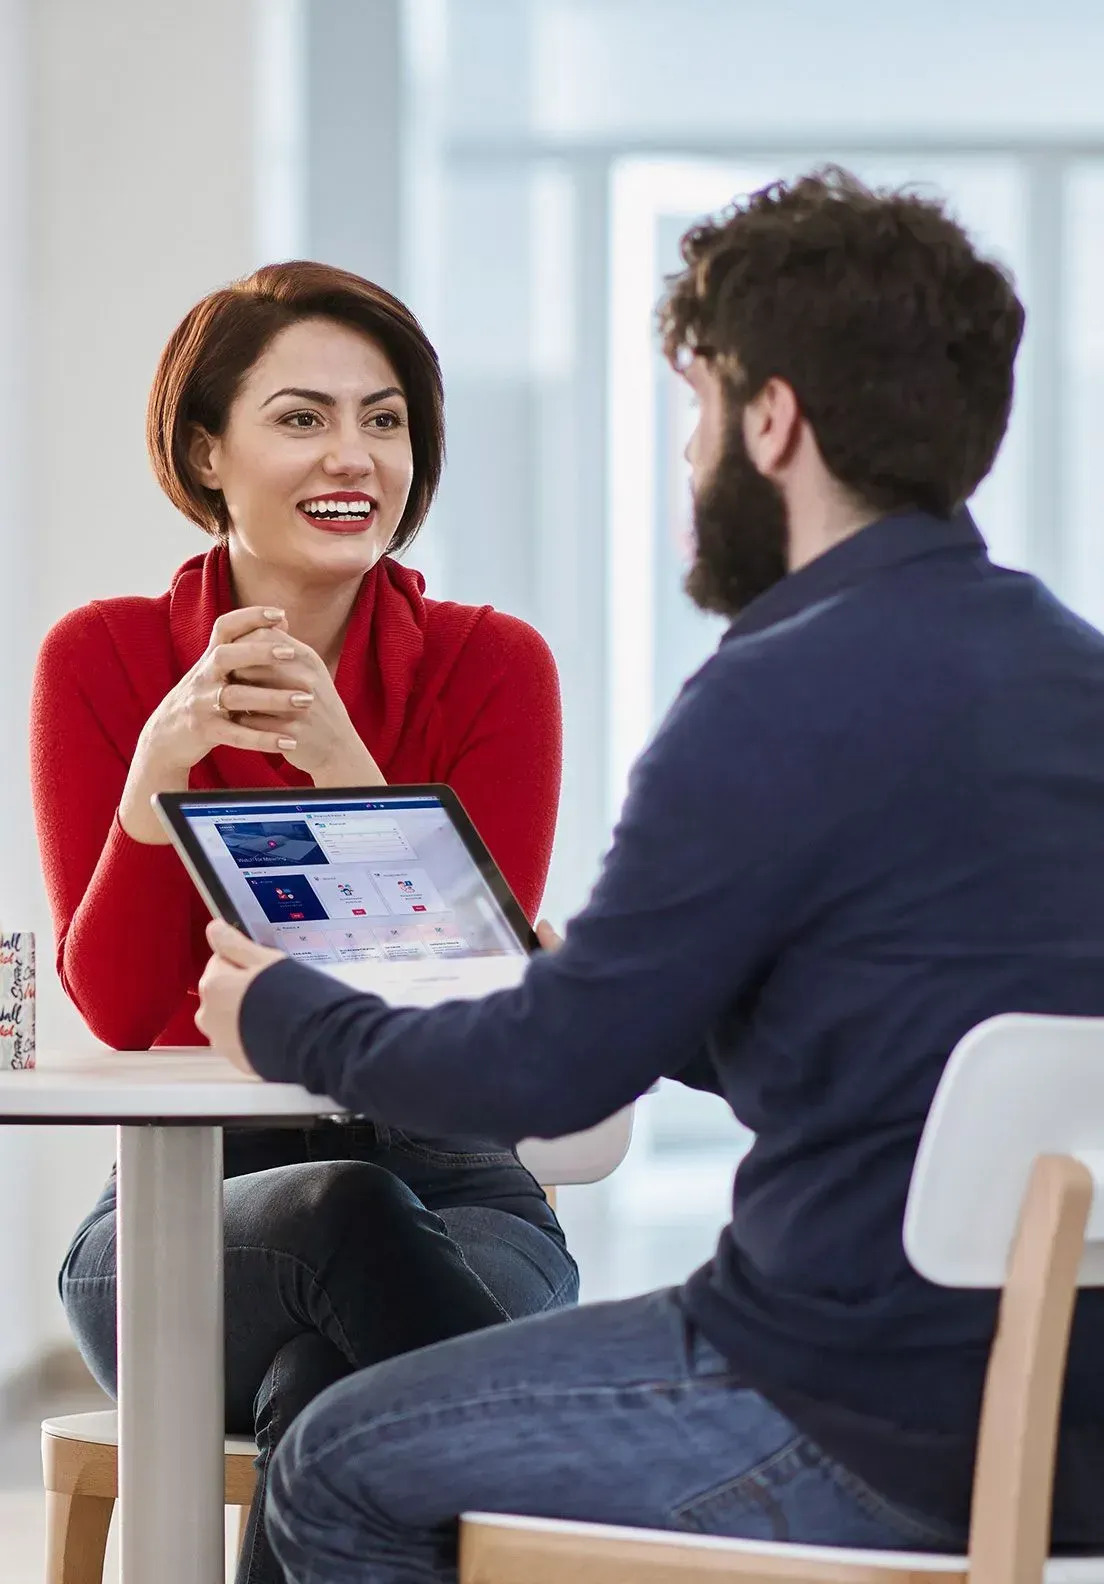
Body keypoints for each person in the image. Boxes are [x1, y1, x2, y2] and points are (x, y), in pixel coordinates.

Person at [199, 167, 1104, 1583]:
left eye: (697, 409)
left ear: (771, 420)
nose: (691, 458)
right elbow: (928, 1036)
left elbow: (550, 1082)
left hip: (846, 1405)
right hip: (1072, 1422)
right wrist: (636, 990)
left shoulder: (776, 691)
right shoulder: (1073, 675)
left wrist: (285, 1014)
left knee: (334, 1465)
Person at [29, 261, 578, 1584]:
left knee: (319, 1383)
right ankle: (572, 1496)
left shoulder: (493, 666)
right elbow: (118, 1005)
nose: (356, 455)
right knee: (337, 1214)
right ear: (208, 451)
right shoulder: (101, 657)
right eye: (304, 417)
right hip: (182, 1219)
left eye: (385, 420)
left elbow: (477, 998)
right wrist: (157, 783)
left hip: (462, 1193)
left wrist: (350, 779)